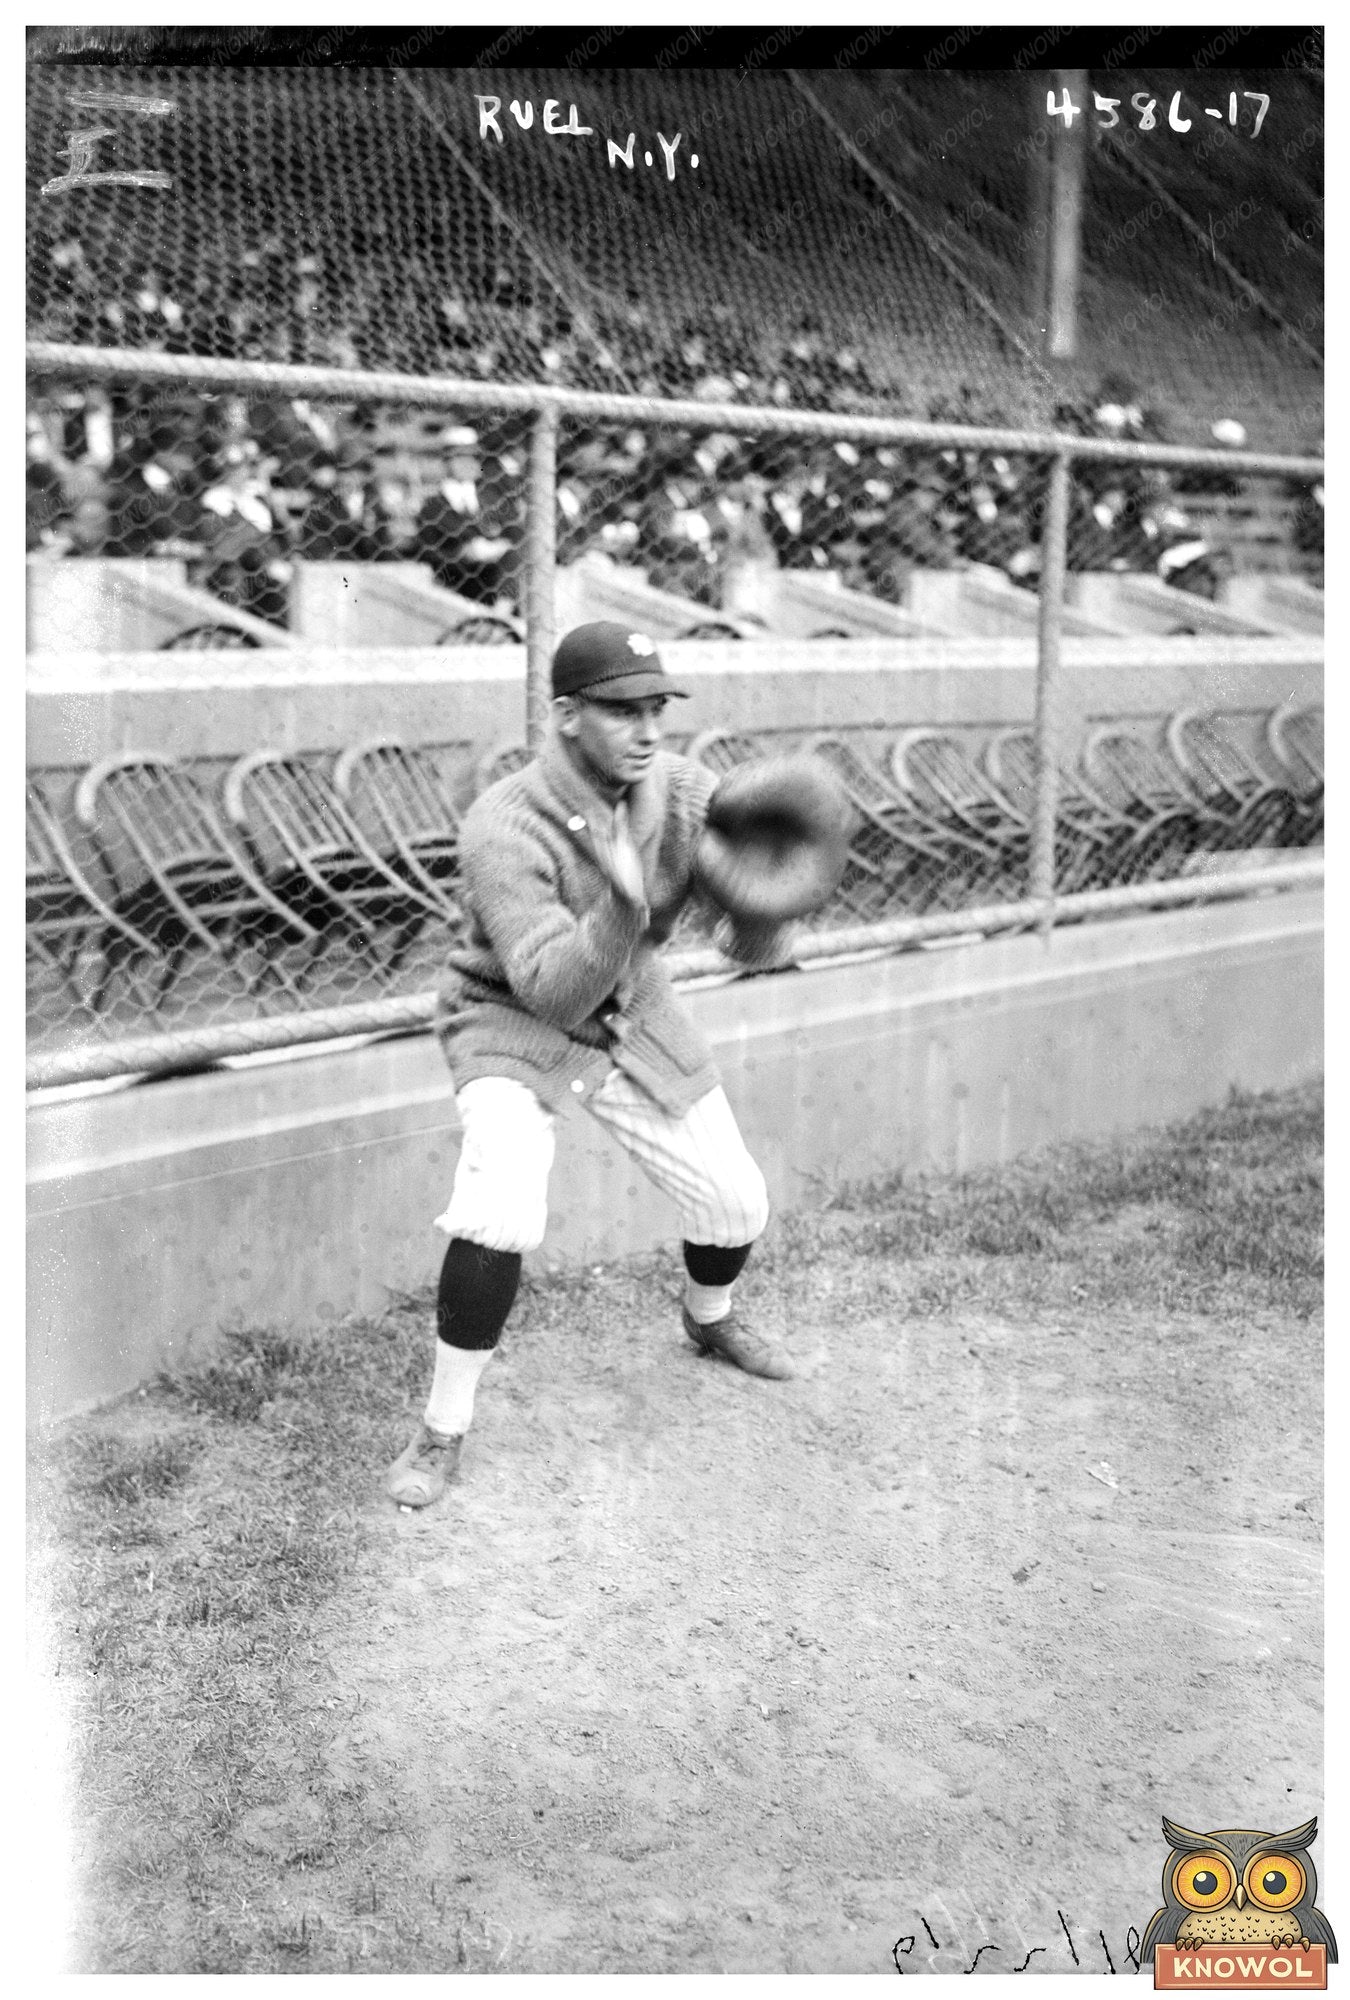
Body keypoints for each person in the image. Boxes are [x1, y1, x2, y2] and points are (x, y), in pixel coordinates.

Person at [386, 621, 792, 1509]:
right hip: (510, 1018)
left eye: (657, 708)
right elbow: (550, 990)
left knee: (736, 1201)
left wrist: (769, 897)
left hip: (635, 1009)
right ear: (568, 714)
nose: (647, 730)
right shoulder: (504, 821)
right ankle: (442, 1429)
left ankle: (709, 1319)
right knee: (498, 1208)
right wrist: (623, 903)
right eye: (621, 711)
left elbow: (744, 946)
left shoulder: (685, 793)